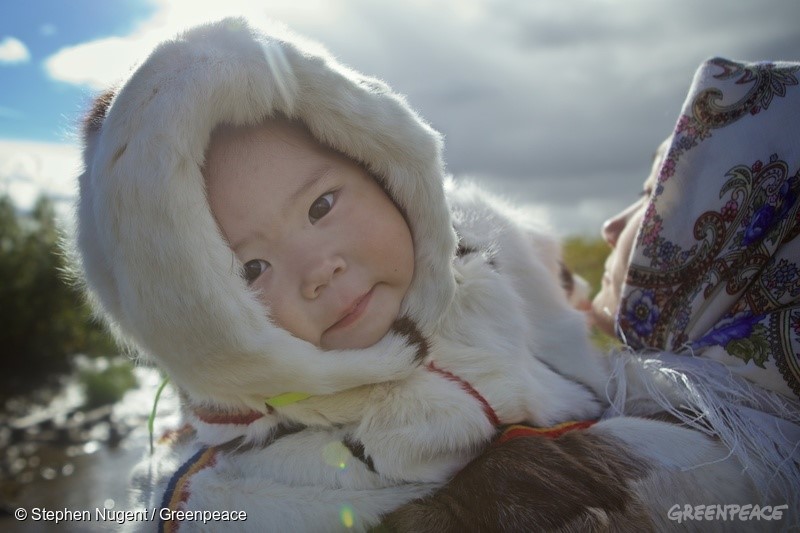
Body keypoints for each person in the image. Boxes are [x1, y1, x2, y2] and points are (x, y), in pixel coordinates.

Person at [74, 17, 613, 532]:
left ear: (383, 171)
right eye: (252, 269)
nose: (319, 271)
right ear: (200, 322)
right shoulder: (236, 491)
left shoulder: (478, 247)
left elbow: (547, 272)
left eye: (321, 206)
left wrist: (576, 295)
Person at [385, 57, 800, 531]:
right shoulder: (753, 438)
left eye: (652, 195)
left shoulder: (621, 478)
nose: (612, 226)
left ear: (736, 232)